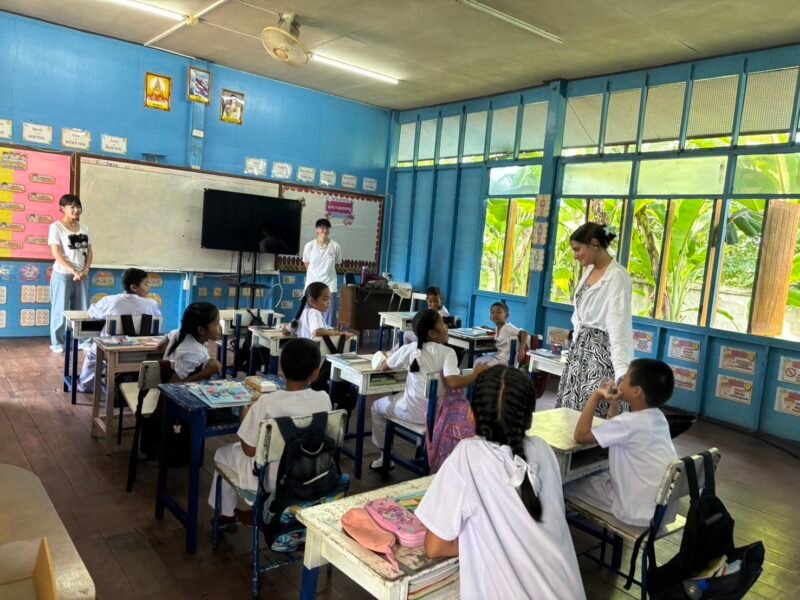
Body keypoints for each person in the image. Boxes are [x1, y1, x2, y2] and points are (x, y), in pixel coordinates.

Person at [415, 366, 586, 600]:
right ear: (528, 418)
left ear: (471, 413)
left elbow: (435, 547)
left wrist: (484, 542)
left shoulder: (467, 455)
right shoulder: (543, 449)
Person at [208, 338, 332, 525]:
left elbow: (248, 450)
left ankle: (227, 514)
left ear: (281, 367)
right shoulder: (324, 399)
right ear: (315, 374)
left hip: (272, 481)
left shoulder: (267, 403)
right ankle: (252, 513)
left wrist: (246, 414)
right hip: (313, 473)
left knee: (221, 453)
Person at [564, 359, 677, 527]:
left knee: (564, 483)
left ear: (637, 391)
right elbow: (618, 432)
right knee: (597, 477)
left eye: (624, 378)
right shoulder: (658, 417)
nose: (620, 380)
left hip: (634, 509)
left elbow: (580, 435)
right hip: (660, 509)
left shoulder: (628, 423)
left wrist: (596, 396)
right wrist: (614, 406)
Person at [370, 309, 486, 470]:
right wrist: (475, 374)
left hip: (410, 412)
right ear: (432, 333)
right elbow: (452, 381)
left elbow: (384, 367)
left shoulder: (409, 349)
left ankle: (385, 456)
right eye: (442, 324)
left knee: (376, 407)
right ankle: (421, 446)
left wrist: (382, 355)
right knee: (416, 399)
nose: (446, 326)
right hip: (438, 416)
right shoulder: (447, 352)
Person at [556, 222, 633, 417]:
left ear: (594, 243)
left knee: (593, 412)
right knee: (571, 407)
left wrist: (622, 371)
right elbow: (579, 317)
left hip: (600, 357)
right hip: (580, 353)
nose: (576, 255)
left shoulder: (617, 276)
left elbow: (619, 324)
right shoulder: (589, 272)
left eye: (578, 249)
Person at [77, 268, 161, 393]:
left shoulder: (110, 300)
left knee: (93, 354)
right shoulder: (152, 304)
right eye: (146, 283)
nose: (149, 287)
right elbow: (157, 326)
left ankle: (86, 386)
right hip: (141, 351)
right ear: (134, 287)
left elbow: (91, 313)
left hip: (112, 351)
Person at [48, 194, 93, 352]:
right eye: (72, 207)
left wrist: (85, 269)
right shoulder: (56, 227)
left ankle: (83, 340)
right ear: (62, 208)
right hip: (63, 274)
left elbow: (90, 252)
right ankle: (57, 343)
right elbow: (56, 253)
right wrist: (72, 270)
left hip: (82, 275)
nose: (76, 210)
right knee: (60, 309)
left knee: (81, 309)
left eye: (78, 206)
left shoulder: (84, 227)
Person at [160, 302, 222, 382]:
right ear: (201, 330)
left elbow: (159, 347)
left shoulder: (178, 333)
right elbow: (171, 386)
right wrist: (206, 372)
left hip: (162, 380)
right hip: (173, 391)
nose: (220, 327)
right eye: (216, 323)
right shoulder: (196, 351)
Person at [302, 218, 342, 324]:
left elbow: (336, 265)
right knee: (309, 315)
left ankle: (327, 339)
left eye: (327, 228)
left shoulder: (335, 246)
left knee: (329, 317)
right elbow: (307, 264)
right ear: (317, 230)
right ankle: (308, 339)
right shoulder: (309, 246)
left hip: (330, 286)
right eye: (322, 228)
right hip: (312, 286)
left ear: (329, 230)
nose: (324, 230)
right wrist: (315, 276)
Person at [285, 282, 352, 340]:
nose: (329, 302)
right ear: (312, 301)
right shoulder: (314, 312)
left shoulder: (301, 314)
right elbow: (317, 331)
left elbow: (285, 331)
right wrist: (338, 334)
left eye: (329, 299)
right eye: (325, 299)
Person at [473, 301, 521, 368]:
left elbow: (524, 333)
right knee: (478, 361)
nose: (495, 315)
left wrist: (521, 350)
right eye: (493, 313)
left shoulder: (508, 327)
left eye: (499, 312)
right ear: (490, 317)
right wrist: (490, 329)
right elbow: (501, 332)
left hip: (504, 360)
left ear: (507, 315)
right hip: (499, 357)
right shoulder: (499, 328)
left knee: (479, 364)